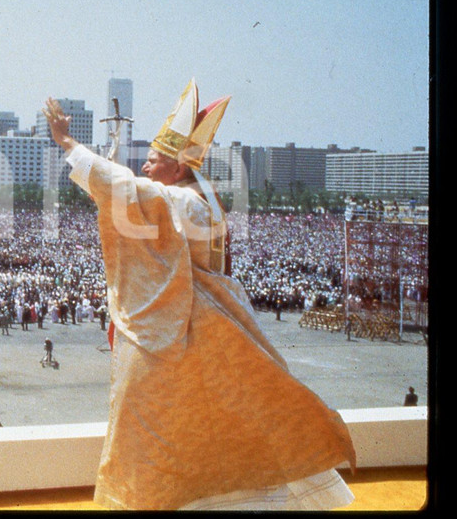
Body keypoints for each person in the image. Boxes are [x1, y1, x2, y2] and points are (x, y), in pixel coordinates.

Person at [43, 86, 355, 511]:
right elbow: (130, 190)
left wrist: (67, 142)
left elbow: (124, 189)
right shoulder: (198, 197)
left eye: (152, 161)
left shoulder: (185, 202)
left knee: (157, 420)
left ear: (174, 167)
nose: (145, 168)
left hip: (182, 323)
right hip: (212, 317)